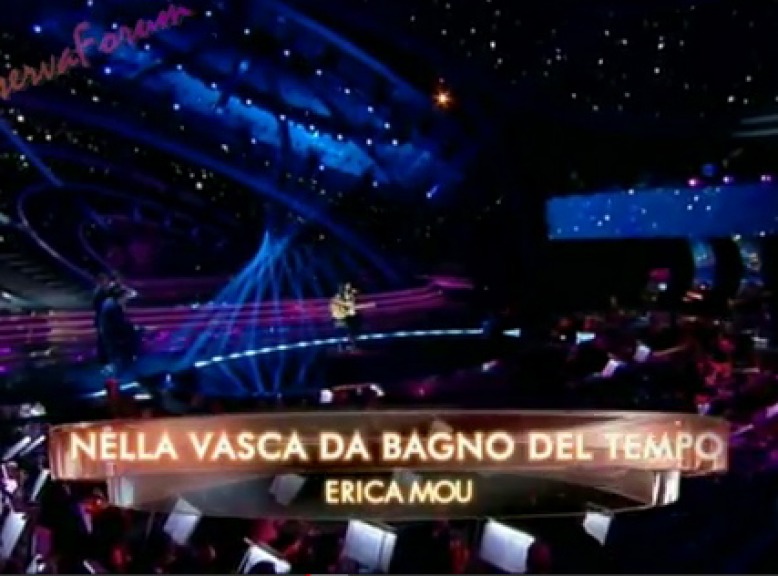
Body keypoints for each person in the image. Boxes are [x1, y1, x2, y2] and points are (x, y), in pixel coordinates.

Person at [99, 284, 139, 375]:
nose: (127, 299)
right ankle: (120, 374)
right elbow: (120, 325)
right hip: (115, 339)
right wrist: (133, 328)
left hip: (112, 337)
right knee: (119, 361)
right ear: (120, 296)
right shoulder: (113, 307)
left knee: (116, 358)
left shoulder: (110, 302)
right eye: (125, 297)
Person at [330, 283, 361, 350]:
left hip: (344, 318)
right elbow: (336, 307)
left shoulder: (347, 297)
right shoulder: (336, 298)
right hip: (339, 318)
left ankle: (351, 346)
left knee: (348, 333)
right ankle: (341, 347)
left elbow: (349, 306)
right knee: (341, 333)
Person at [92, 273, 113, 368]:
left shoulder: (103, 291)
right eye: (105, 280)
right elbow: (97, 307)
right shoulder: (98, 292)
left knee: (105, 339)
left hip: (104, 318)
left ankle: (106, 358)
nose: (107, 282)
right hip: (101, 319)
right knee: (102, 340)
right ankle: (103, 359)